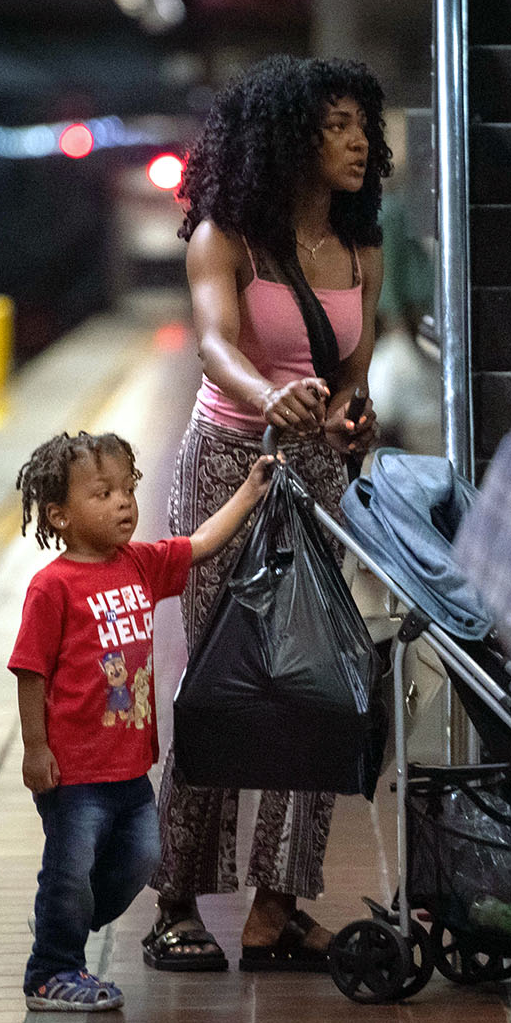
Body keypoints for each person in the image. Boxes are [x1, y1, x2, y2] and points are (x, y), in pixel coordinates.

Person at [145, 55, 388, 973]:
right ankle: (178, 899)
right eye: (336, 124)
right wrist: (268, 395)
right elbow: (213, 341)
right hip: (227, 468)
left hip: (318, 476)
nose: (360, 139)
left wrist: (346, 413)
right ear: (289, 138)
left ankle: (276, 907)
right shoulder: (227, 237)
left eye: (362, 122)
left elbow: (351, 370)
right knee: (224, 679)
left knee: (317, 683)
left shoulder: (364, 246)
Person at [7, 431, 273, 1011]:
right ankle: (52, 969)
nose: (124, 503)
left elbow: (201, 543)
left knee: (143, 859)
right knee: (70, 869)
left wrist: (250, 493)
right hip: (74, 773)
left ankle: (63, 920)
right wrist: (35, 748)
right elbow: (29, 671)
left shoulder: (141, 565)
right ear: (61, 516)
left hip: (129, 767)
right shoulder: (51, 588)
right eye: (102, 494)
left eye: (127, 490)